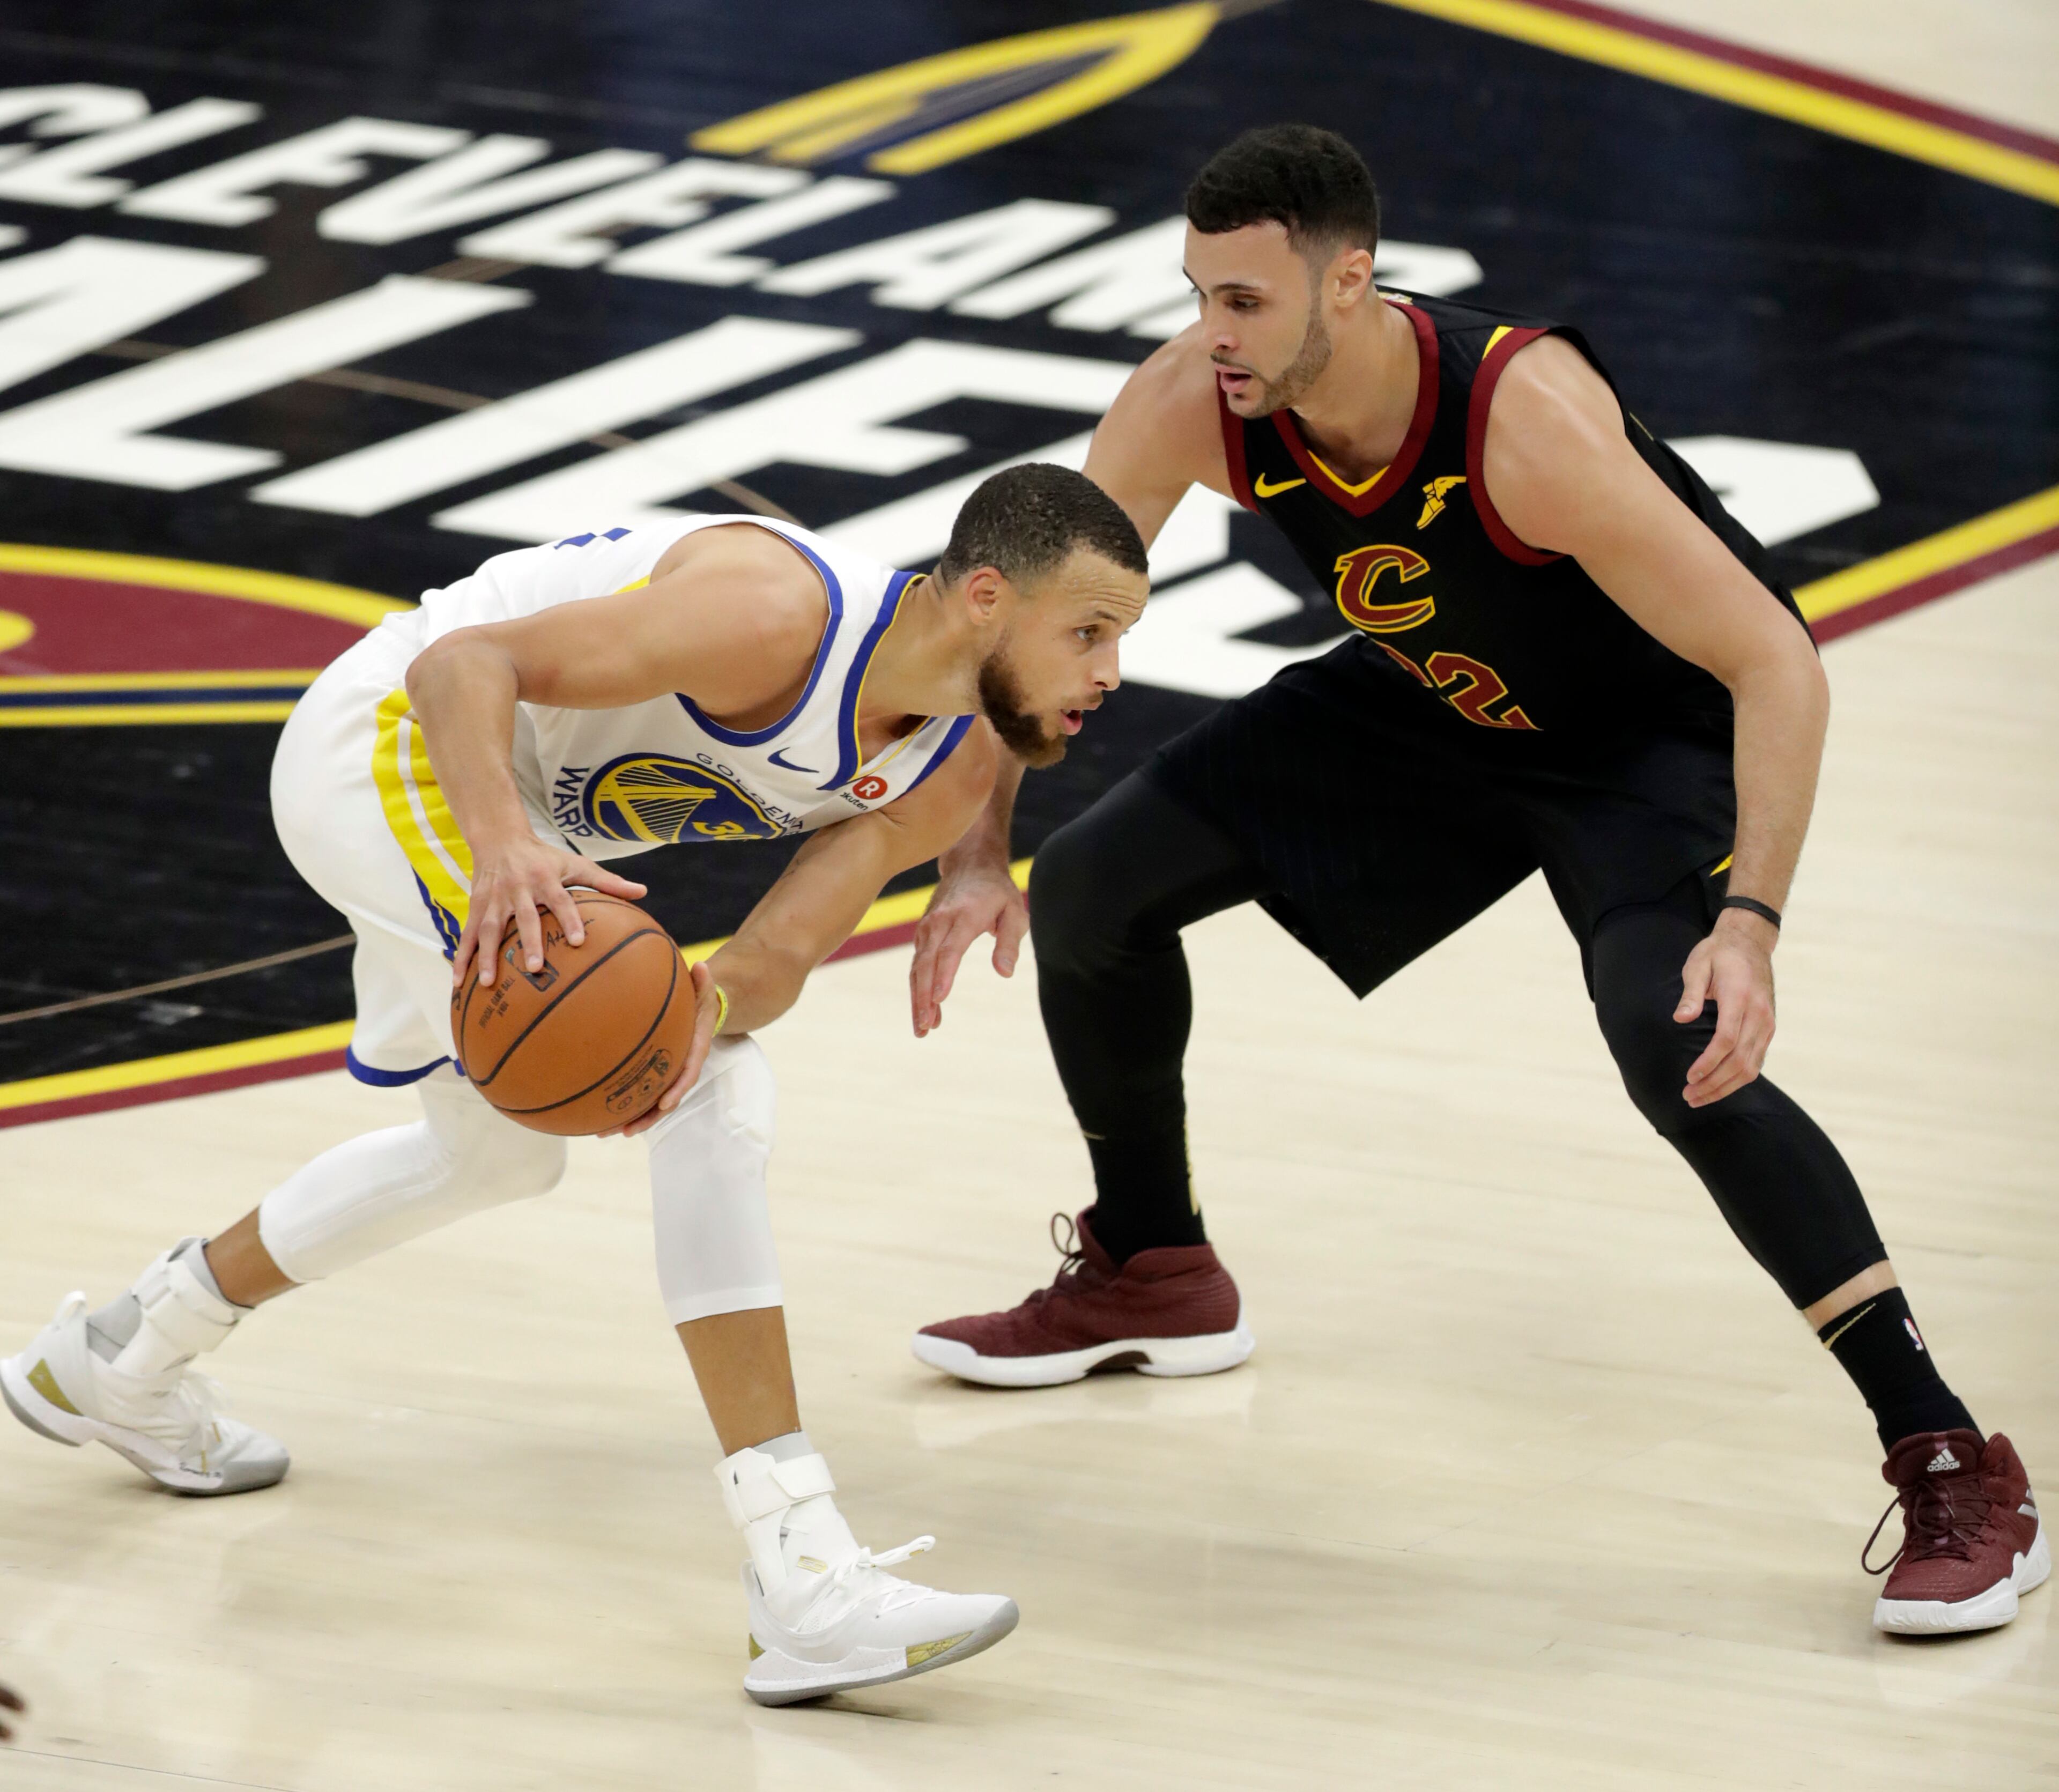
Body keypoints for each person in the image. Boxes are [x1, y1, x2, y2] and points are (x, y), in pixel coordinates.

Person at [907, 128, 2045, 1639]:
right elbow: (1027, 617)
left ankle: (1954, 1452)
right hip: (1439, 700)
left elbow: (1773, 653)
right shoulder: (1201, 397)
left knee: (1680, 1043)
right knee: (1102, 875)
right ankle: (1153, 1262)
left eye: (1245, 299)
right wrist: (977, 844)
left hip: (1643, 743)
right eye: (1199, 294)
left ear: (1353, 280)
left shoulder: (1527, 422)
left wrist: (1753, 924)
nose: (1213, 333)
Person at [3, 464, 1150, 1703]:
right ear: (985, 598)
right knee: (720, 1100)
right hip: (393, 745)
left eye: (1121, 640)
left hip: (510, 824)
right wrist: (507, 849)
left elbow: (769, 962)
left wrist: (693, 1016)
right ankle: (805, 1574)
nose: (1112, 674)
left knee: (506, 1150)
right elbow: (463, 672)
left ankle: (121, 1356)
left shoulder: (947, 773)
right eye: (1088, 634)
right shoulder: (772, 611)